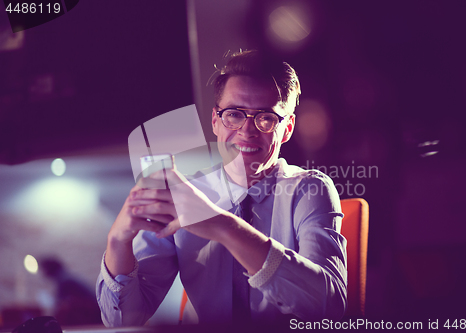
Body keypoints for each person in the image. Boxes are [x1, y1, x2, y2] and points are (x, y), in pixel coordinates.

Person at [96, 50, 347, 326]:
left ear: (287, 129)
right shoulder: (182, 196)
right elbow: (122, 320)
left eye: (266, 118)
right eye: (235, 115)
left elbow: (329, 306)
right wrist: (117, 241)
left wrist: (224, 227)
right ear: (216, 120)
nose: (247, 131)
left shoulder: (310, 190)